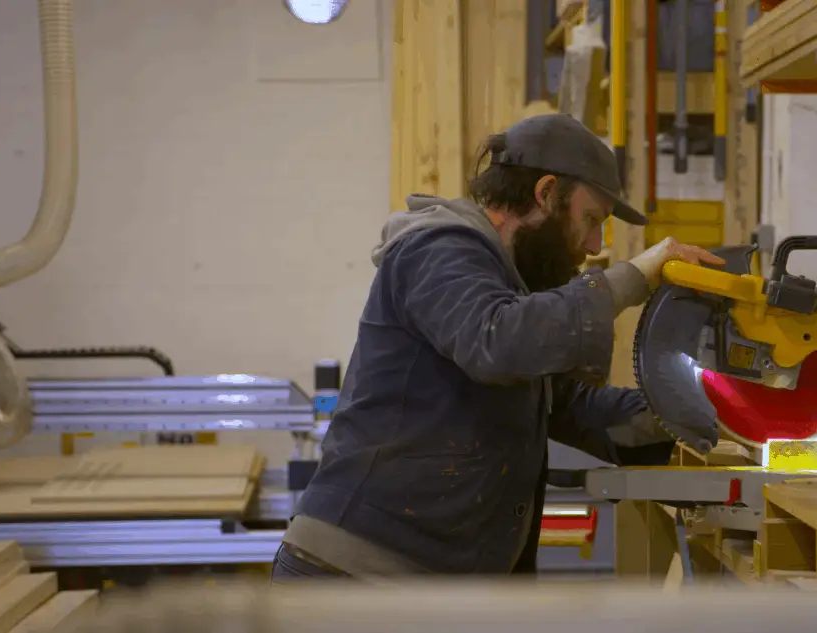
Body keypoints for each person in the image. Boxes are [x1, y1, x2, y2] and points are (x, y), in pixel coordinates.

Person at [272, 113, 724, 581]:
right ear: (546, 193)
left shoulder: (508, 286)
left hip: (426, 583)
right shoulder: (437, 248)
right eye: (591, 220)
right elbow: (496, 341)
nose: (594, 244)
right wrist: (634, 277)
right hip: (352, 579)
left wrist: (708, 409)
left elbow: (572, 407)